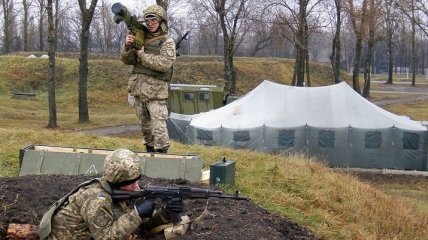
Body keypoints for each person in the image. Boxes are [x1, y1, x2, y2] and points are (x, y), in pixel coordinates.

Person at [38, 149, 183, 240]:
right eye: (131, 182)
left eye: (137, 180)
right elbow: (105, 237)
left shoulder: (121, 191)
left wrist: (166, 212)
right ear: (117, 181)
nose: (136, 185)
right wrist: (137, 214)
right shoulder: (96, 199)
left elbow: (142, 225)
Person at [120, 5, 176, 154]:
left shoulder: (167, 42)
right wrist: (127, 46)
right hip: (139, 91)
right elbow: (127, 60)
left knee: (159, 128)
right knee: (145, 128)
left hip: (156, 93)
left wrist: (142, 55)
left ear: (161, 21)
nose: (150, 23)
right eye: (147, 20)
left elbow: (164, 64)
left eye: (153, 20)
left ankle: (163, 158)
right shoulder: (141, 38)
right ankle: (149, 154)